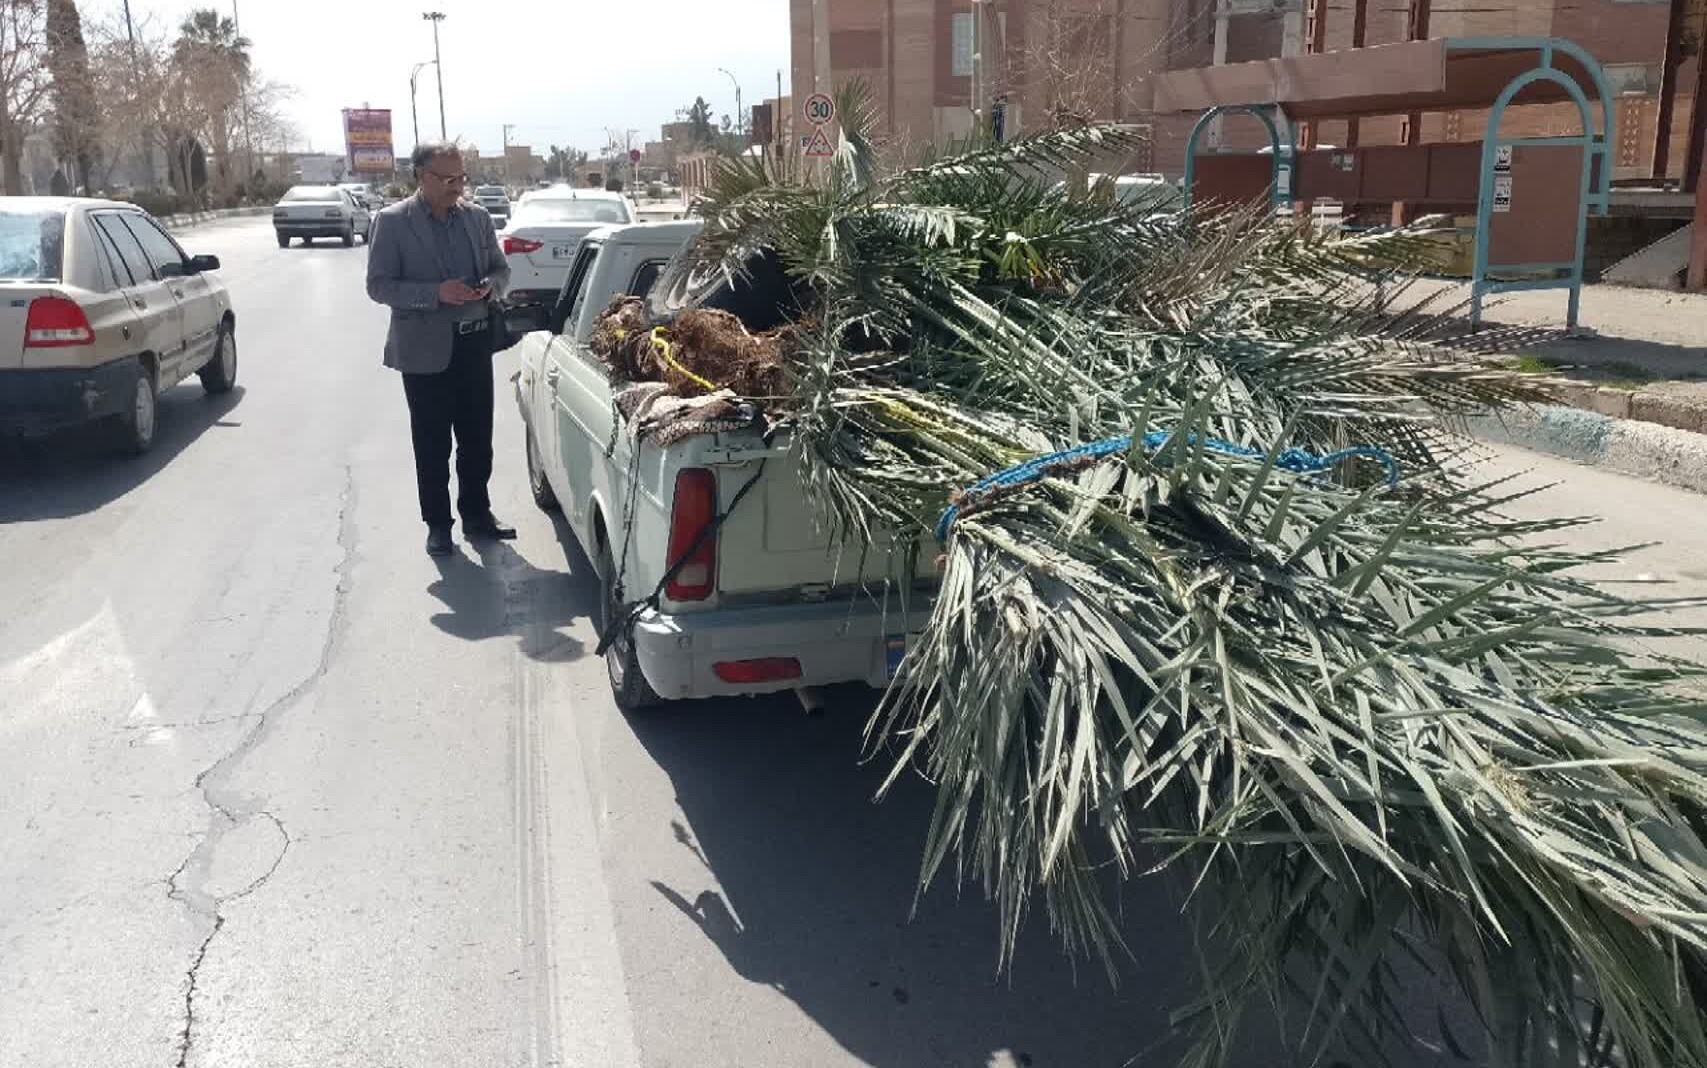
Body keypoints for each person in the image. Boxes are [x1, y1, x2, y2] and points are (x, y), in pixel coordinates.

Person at [366, 142, 517, 557]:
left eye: (461, 177)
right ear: (422, 176)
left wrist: (490, 287)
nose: (456, 186)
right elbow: (378, 285)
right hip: (423, 351)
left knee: (477, 438)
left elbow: (501, 270)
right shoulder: (393, 222)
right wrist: (435, 293)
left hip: (474, 342)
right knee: (432, 442)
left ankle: (477, 514)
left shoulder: (477, 218)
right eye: (447, 179)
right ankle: (437, 524)